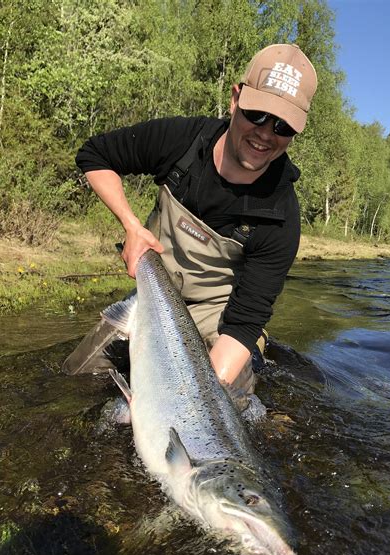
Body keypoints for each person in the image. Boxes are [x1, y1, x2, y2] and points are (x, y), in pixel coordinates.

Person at [63, 43, 317, 395]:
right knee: (77, 380)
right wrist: (131, 226)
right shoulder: (182, 141)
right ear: (235, 100)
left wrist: (192, 398)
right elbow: (95, 156)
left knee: (228, 404)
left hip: (222, 321)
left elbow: (242, 326)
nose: (265, 133)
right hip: (155, 298)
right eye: (257, 113)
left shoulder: (282, 216)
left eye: (283, 125)